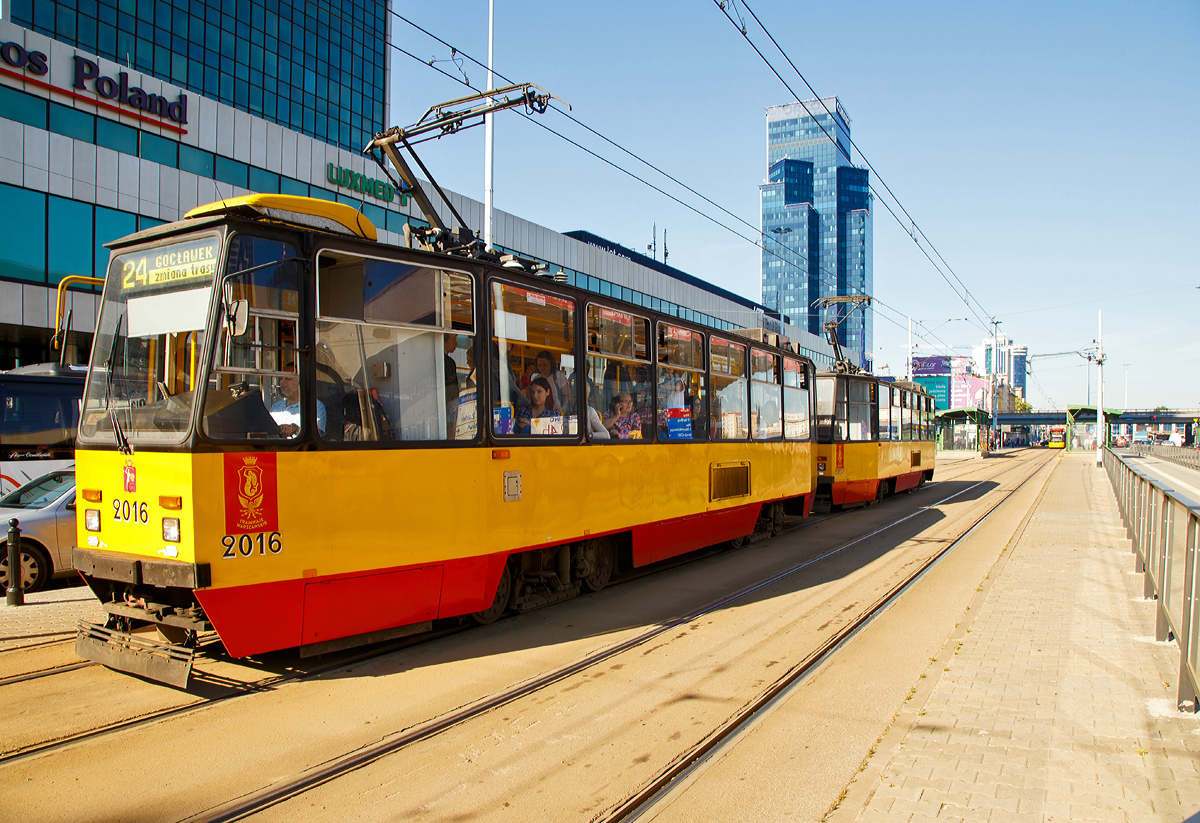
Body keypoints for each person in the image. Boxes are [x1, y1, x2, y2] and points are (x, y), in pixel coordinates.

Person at [270, 372, 325, 437]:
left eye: (288, 378)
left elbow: (314, 436)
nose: (282, 381)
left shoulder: (314, 406)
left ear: (301, 381)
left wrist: (295, 429)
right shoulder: (276, 407)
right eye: (281, 378)